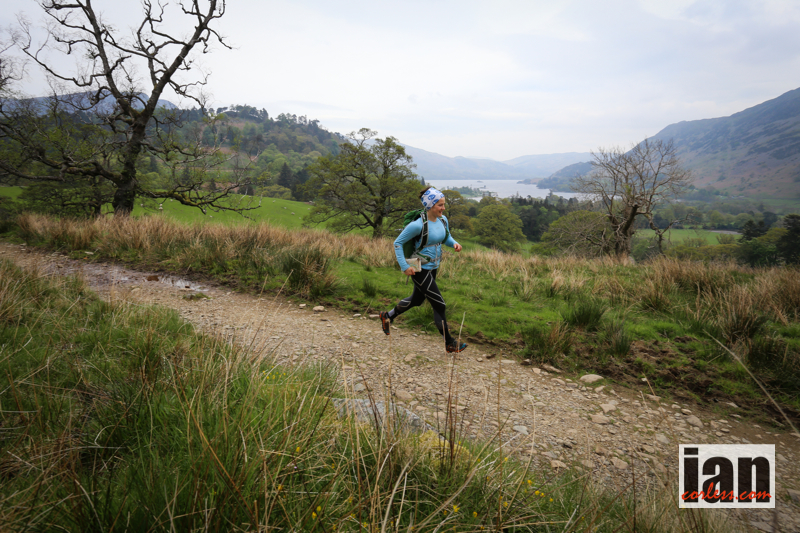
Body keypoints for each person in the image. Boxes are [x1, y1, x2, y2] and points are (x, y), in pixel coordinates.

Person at [379, 187, 468, 353]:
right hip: (417, 267)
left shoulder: (443, 220)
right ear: (430, 205)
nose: (443, 208)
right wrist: (405, 266)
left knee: (417, 300)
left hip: (433, 266)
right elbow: (397, 243)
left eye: (444, 204)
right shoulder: (417, 225)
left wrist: (454, 243)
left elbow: (446, 237)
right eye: (440, 205)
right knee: (439, 304)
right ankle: (449, 343)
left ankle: (387, 316)